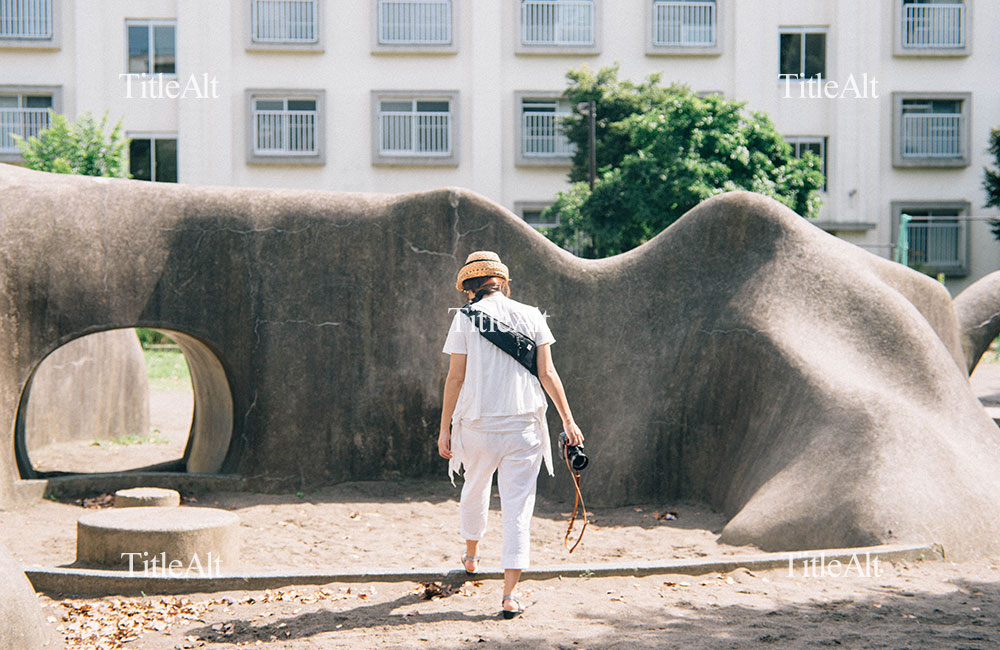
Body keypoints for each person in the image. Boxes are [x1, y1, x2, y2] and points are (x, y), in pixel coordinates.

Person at [438, 250, 584, 619]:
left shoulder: (465, 320)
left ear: (469, 287)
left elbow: (455, 378)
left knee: (475, 486)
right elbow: (548, 374)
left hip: (478, 425)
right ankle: (510, 596)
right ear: (501, 282)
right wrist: (568, 421)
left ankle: (471, 557)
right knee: (519, 506)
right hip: (524, 427)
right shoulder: (532, 315)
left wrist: (444, 429)